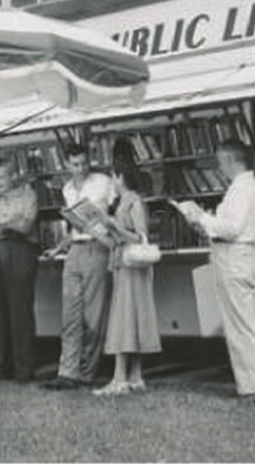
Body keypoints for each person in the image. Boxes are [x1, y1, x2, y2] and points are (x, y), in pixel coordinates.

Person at [173, 139, 255, 403]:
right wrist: (205, 225)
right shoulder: (249, 187)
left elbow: (233, 228)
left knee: (242, 325)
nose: (219, 167)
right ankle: (252, 385)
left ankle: (254, 387)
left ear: (229, 160)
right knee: (242, 323)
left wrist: (201, 217)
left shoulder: (243, 189)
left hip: (235, 256)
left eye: (220, 162)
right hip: (238, 255)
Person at [42, 142, 113, 390]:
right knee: (70, 315)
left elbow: (115, 215)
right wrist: (59, 248)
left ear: (89, 160)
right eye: (75, 164)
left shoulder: (104, 181)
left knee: (93, 317)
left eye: (84, 163)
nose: (80, 168)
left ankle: (87, 372)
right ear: (67, 165)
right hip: (74, 251)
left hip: (97, 248)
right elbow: (74, 227)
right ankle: (67, 372)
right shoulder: (68, 188)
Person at [93, 152, 161, 396]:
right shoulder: (124, 202)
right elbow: (114, 241)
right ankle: (134, 376)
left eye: (113, 176)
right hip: (123, 264)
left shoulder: (133, 201)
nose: (112, 182)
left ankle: (120, 378)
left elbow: (140, 237)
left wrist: (112, 225)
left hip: (133, 266)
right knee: (131, 317)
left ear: (120, 176)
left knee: (124, 318)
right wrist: (91, 228)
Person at [0, 157, 39, 382]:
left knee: (21, 311)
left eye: (3, 177)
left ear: (14, 175)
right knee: (1, 310)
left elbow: (25, 226)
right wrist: (9, 224)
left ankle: (24, 370)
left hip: (22, 252)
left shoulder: (28, 195)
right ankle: (4, 368)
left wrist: (0, 225)